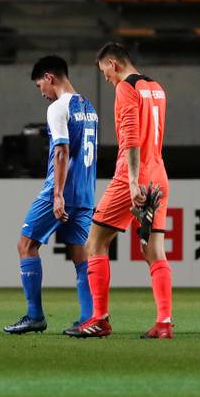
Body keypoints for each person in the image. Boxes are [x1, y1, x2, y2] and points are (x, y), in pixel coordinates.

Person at [65, 43, 173, 339]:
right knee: (154, 251)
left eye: (105, 72)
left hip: (132, 179)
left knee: (94, 244)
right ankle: (164, 322)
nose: (107, 79)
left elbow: (131, 138)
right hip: (159, 175)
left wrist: (134, 182)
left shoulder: (126, 88)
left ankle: (99, 319)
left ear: (112, 63)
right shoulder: (156, 87)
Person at [3, 55, 97, 335]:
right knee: (81, 255)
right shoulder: (89, 107)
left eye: (39, 85)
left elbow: (61, 151)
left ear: (49, 77)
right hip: (85, 192)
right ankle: (89, 317)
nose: (41, 92)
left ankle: (35, 316)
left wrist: (57, 195)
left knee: (26, 245)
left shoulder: (59, 108)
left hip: (61, 190)